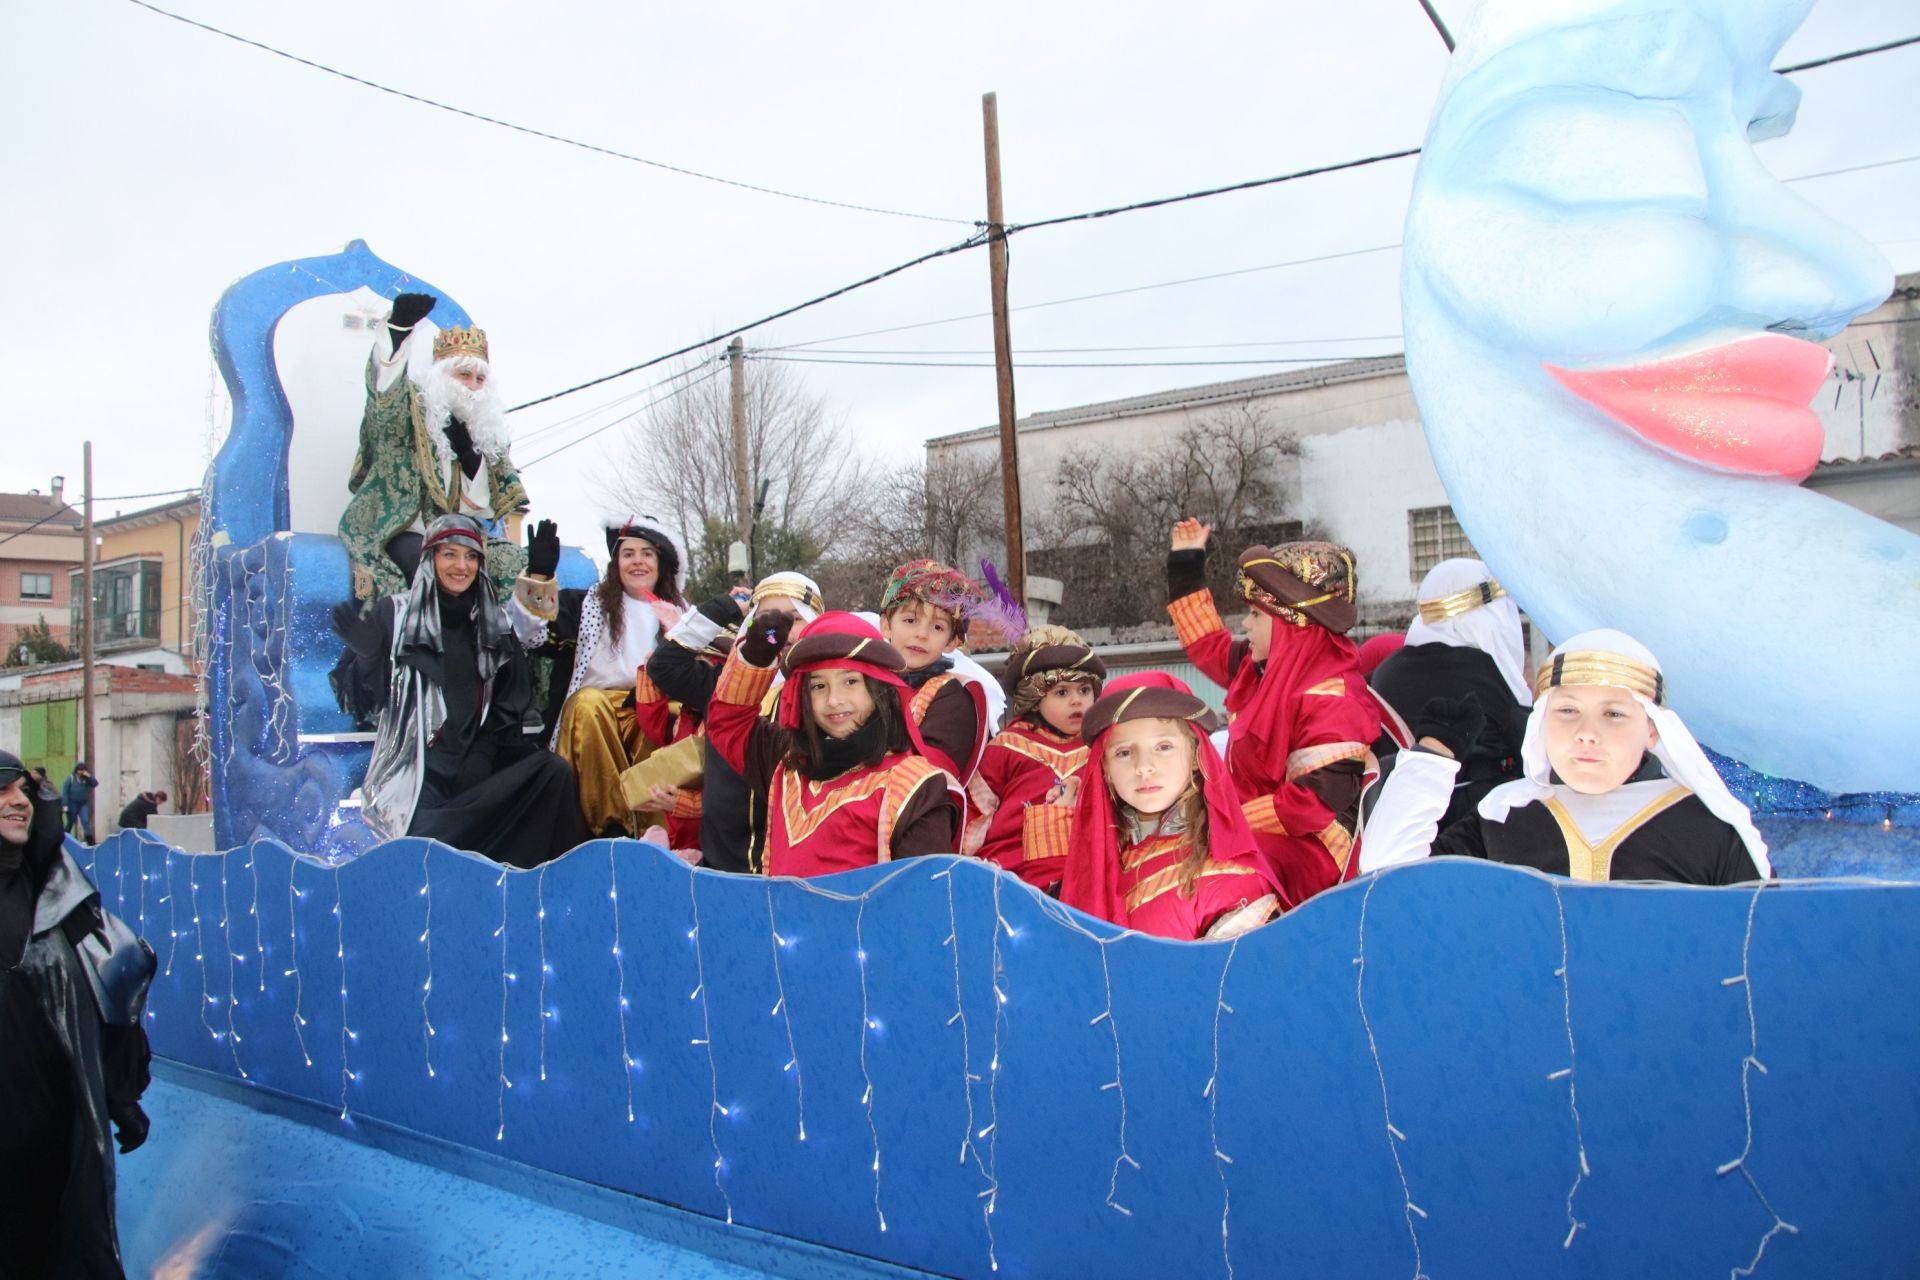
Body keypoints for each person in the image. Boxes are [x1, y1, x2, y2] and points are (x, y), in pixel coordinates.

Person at [1359, 630, 1769, 884]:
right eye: (1568, 710)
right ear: (1541, 722)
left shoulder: (1709, 829)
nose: (1587, 734)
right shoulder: (1505, 817)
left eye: (1613, 714)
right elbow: (1389, 878)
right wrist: (1431, 759)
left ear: (1652, 729)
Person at [331, 514, 582, 867]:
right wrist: (369, 657)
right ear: (430, 558)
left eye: (471, 557)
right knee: (423, 840)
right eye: (449, 554)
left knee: (552, 772)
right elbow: (363, 702)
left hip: (476, 766)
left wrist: (482, 755)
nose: (461, 566)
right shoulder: (395, 614)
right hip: (417, 770)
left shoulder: (495, 622)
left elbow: (506, 706)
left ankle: (543, 882)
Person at [1166, 521, 1381, 909]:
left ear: (1292, 624)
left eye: (1255, 615)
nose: (1245, 625)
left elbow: (1312, 803)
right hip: (1255, 834)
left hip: (1311, 849)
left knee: (1210, 879)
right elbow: (1207, 644)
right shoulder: (1262, 669)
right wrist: (1186, 562)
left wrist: (1225, 823)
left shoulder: (1333, 697)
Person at [1, 750, 155, 1277]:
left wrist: (120, 1095)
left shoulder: (59, 895)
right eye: (2, 791)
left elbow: (107, 997)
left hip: (58, 1151)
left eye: (22, 789)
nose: (19, 801)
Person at [705, 609, 959, 876]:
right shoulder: (787, 761)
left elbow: (924, 903)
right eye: (818, 686)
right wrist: (758, 654)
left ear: (878, 689)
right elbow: (728, 724)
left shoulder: (914, 786)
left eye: (851, 681)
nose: (833, 700)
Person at [1057, 673, 1280, 941]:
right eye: (1124, 752)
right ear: (1104, 766)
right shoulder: (1093, 863)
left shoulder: (1233, 877)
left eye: (1163, 747)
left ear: (1197, 755)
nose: (1144, 767)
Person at [338, 293, 529, 606]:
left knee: (515, 565)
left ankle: (496, 650)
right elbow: (383, 398)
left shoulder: (486, 430)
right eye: (463, 375)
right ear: (441, 376)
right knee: (430, 564)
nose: (472, 385)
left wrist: (470, 458)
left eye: (480, 378)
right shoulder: (410, 409)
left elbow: (482, 505)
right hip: (402, 528)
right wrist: (398, 332)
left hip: (463, 535)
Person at [508, 516, 688, 837]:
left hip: (648, 712)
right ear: (616, 562)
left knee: (665, 714)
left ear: (661, 563)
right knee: (588, 704)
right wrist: (539, 578)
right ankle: (612, 828)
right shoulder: (587, 605)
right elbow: (529, 636)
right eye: (628, 553)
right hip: (592, 715)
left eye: (646, 553)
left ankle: (654, 833)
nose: (637, 562)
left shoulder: (683, 616)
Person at [644, 571, 826, 872]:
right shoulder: (720, 684)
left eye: (794, 619)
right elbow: (664, 666)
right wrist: (727, 605)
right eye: (767, 619)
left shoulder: (827, 697)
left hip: (784, 867)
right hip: (719, 862)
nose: (779, 632)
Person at [1368, 559, 1530, 828]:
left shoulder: (1386, 671)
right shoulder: (1486, 673)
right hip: (1475, 827)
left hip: (1396, 822)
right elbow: (1530, 752)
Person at [966, 626, 1106, 893]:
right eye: (1062, 692)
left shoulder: (1105, 747)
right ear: (1033, 698)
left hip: (1088, 873)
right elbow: (977, 811)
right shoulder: (1006, 746)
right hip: (1012, 878)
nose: (1076, 701)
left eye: (1084, 690)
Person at [875, 560, 992, 787]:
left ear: (952, 641)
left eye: (937, 627)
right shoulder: (866, 684)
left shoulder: (952, 699)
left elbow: (931, 779)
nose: (921, 634)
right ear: (886, 625)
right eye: (910, 620)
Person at [62, 760, 99, 843]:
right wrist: (65, 804)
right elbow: (65, 791)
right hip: (72, 804)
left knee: (85, 821)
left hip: (83, 804)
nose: (81, 771)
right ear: (76, 770)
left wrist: (89, 776)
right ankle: (63, 839)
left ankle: (90, 841)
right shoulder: (71, 778)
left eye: (83, 769)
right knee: (70, 822)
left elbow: (95, 783)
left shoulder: (86, 779)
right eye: (79, 769)